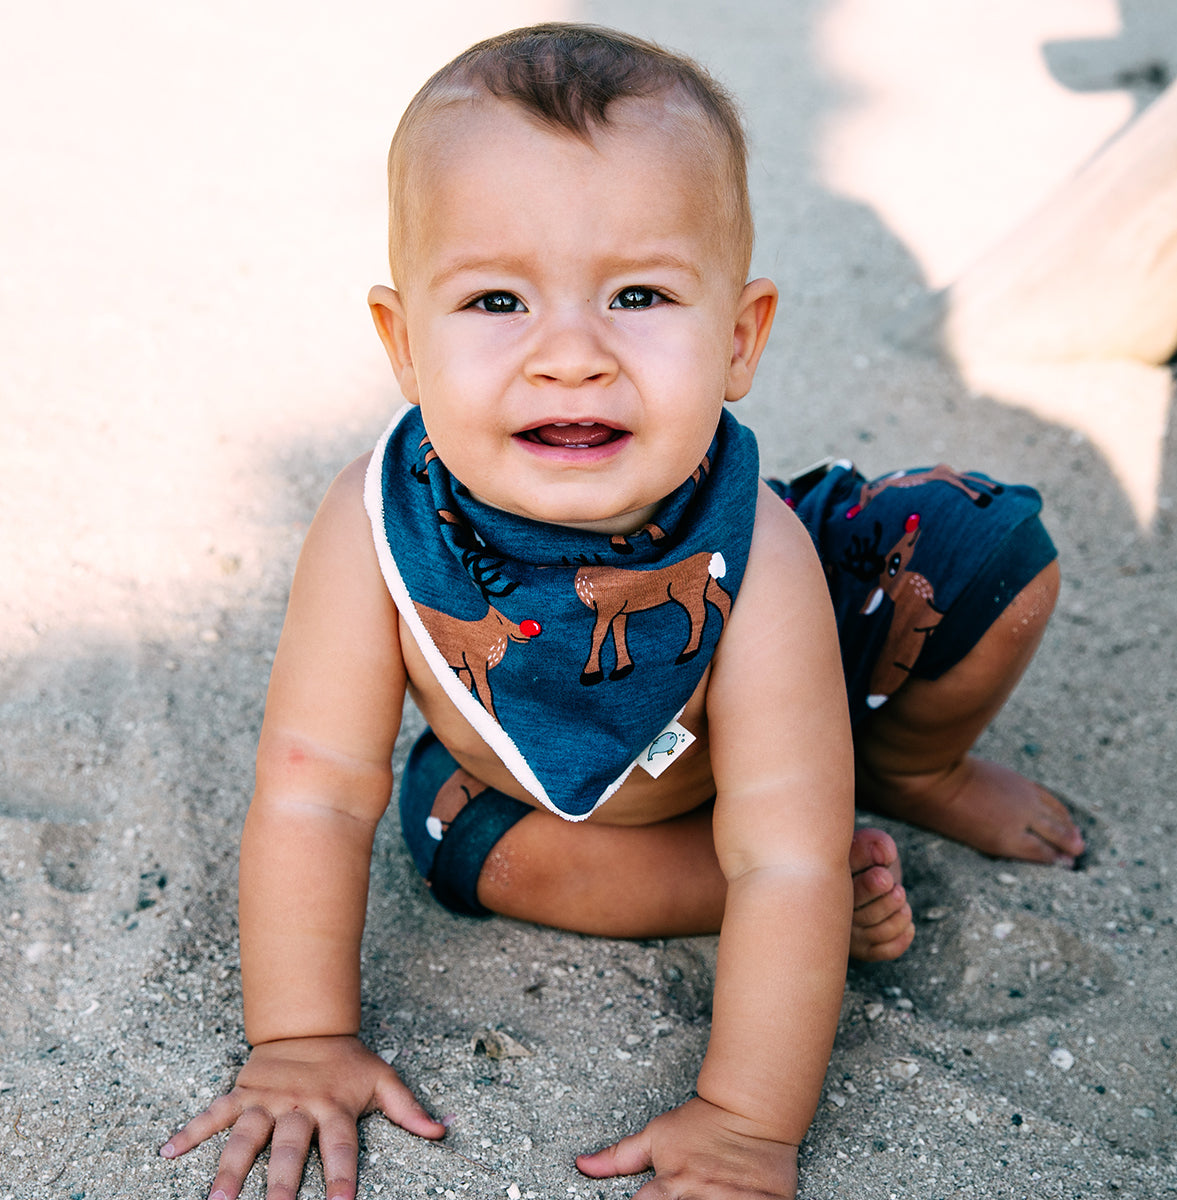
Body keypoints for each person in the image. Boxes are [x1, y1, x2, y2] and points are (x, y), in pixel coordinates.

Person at [159, 23, 1084, 1200]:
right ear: (401, 345)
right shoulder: (375, 527)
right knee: (486, 855)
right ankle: (774, 875)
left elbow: (786, 855)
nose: (571, 356)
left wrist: (746, 1123)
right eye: (497, 300)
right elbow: (314, 788)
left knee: (983, 565)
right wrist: (298, 1042)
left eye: (637, 294)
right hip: (530, 795)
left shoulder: (765, 556)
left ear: (740, 338)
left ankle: (909, 764)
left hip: (768, 733)